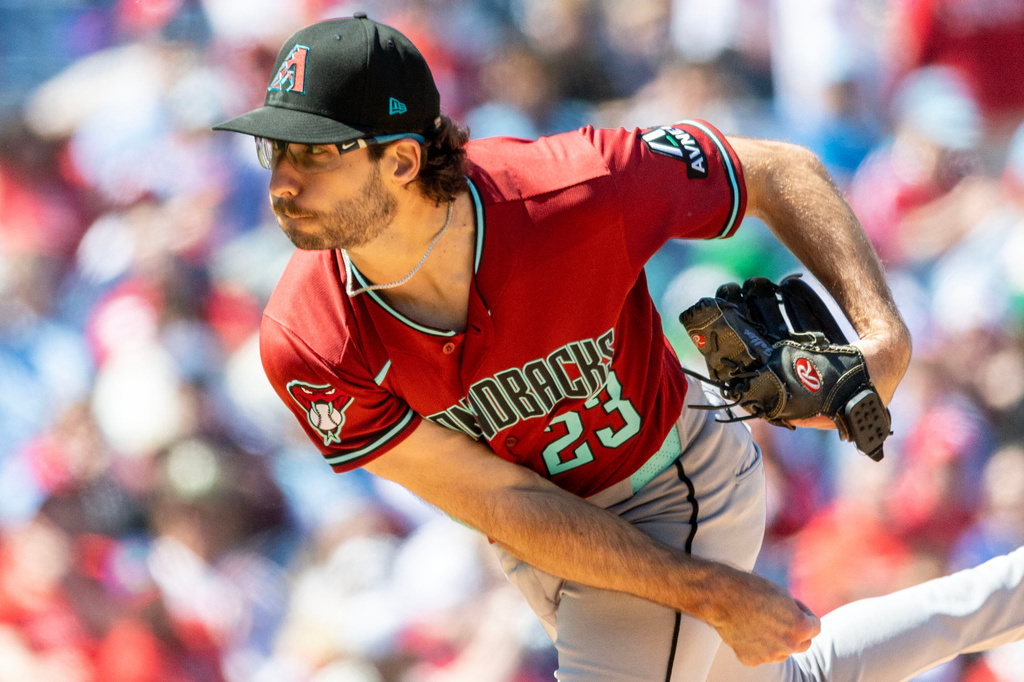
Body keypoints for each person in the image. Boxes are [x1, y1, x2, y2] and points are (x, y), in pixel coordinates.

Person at [212, 14, 1024, 682]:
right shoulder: (305, 340)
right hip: (546, 534)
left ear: (401, 160)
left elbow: (778, 170)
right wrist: (707, 596)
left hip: (674, 484)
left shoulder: (573, 191)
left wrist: (884, 337)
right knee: (798, 676)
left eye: (315, 154)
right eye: (275, 150)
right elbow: (499, 502)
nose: (283, 179)